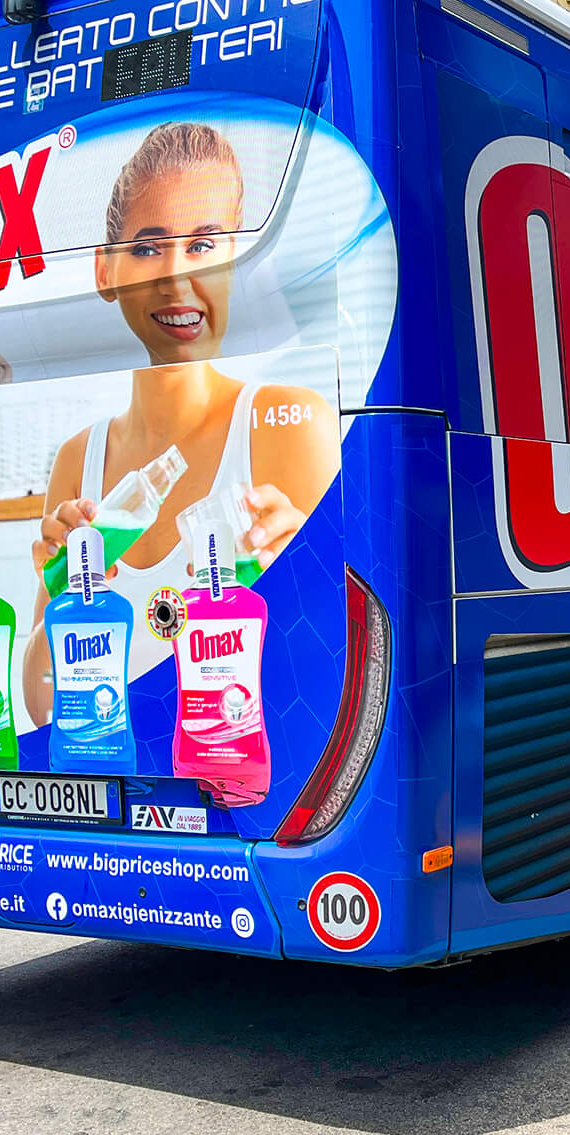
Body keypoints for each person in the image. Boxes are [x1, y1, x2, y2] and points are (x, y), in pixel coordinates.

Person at [19, 122, 340, 722]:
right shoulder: (78, 460)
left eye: (203, 244)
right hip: (109, 768)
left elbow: (333, 673)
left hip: (245, 773)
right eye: (147, 248)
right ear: (105, 272)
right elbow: (43, 710)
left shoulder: (287, 426)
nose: (174, 277)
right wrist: (62, 605)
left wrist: (306, 579)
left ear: (240, 260)